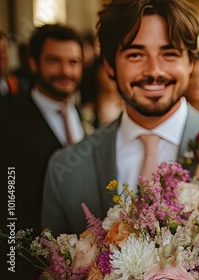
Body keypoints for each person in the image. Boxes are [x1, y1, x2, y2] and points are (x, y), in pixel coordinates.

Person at [41, 0, 199, 237]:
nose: (154, 70)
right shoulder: (66, 170)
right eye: (135, 55)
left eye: (170, 53)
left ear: (190, 62)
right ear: (109, 65)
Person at [0, 24, 86, 279]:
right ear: (34, 63)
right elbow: (8, 205)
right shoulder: (8, 122)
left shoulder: (82, 114)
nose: (66, 70)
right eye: (54, 61)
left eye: (74, 62)